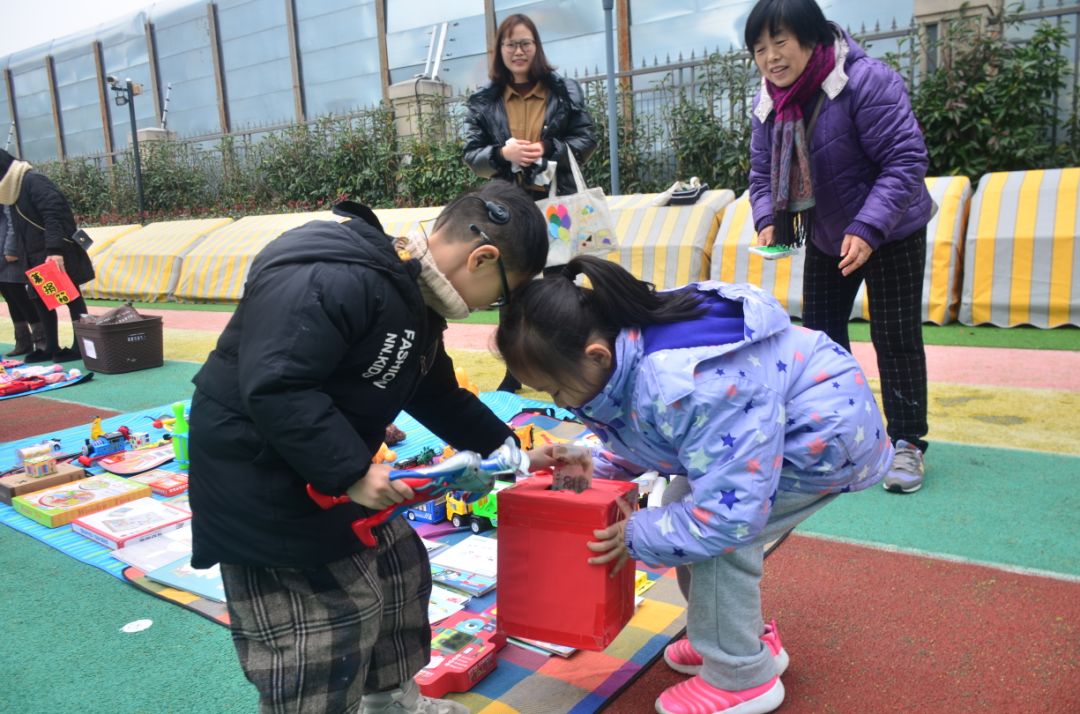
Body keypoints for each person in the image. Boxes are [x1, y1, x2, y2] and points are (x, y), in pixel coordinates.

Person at [188, 180, 547, 714]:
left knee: (402, 573)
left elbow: (436, 392)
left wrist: (511, 449)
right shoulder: (335, 276)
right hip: (260, 480)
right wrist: (354, 470)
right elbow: (277, 384)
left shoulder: (412, 296)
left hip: (323, 467)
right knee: (327, 624)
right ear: (482, 257)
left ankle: (391, 703)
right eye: (500, 295)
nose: (490, 307)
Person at [496, 256, 892, 714]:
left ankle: (743, 676)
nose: (557, 401)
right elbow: (648, 427)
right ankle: (733, 637)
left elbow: (726, 520)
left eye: (555, 390)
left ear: (596, 356)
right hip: (778, 421)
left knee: (713, 542)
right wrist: (596, 469)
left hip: (822, 438)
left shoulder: (688, 386)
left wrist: (634, 534)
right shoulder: (627, 345)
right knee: (685, 510)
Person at [745, 0, 933, 494]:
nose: (771, 58)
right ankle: (843, 428)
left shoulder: (866, 80)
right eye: (760, 48)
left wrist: (869, 226)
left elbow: (906, 160)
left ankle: (908, 443)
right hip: (829, 234)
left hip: (892, 230)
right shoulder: (769, 103)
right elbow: (761, 175)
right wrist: (768, 219)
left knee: (894, 334)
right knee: (821, 336)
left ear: (811, 38)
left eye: (780, 42)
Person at [463, 12, 597, 393]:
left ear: (536, 47)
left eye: (525, 43)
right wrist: (502, 153)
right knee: (512, 286)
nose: (518, 51)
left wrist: (549, 148)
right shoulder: (484, 101)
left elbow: (586, 140)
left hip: (557, 202)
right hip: (509, 206)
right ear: (500, 51)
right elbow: (471, 155)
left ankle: (563, 362)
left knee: (560, 283)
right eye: (510, 44)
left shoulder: (563, 91)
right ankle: (515, 371)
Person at [0, 149, 93, 363]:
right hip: (33, 255)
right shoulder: (13, 190)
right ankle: (50, 346)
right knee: (41, 299)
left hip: (52, 252)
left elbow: (54, 216)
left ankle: (80, 346)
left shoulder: (34, 181)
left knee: (70, 298)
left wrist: (55, 251)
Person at [0, 204, 43, 357]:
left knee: (19, 294)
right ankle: (23, 341)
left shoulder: (5, 189)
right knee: (10, 297)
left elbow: (12, 220)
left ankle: (41, 341)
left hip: (9, 252)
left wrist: (11, 249)